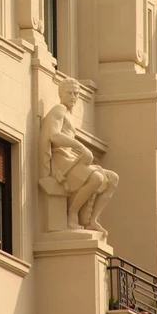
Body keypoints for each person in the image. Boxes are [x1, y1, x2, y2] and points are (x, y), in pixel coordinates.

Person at [39, 78, 118, 231]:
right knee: (97, 178)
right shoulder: (59, 109)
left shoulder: (68, 114)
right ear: (61, 94)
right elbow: (54, 135)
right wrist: (80, 146)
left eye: (76, 93)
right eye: (69, 93)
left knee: (113, 178)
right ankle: (72, 213)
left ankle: (91, 220)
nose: (73, 97)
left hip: (71, 159)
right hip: (60, 161)